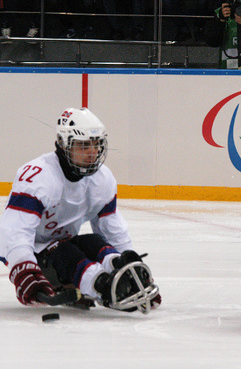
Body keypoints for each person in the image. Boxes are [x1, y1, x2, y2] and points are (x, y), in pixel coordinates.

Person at [0, 108, 161, 312]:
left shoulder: (102, 179)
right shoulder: (39, 176)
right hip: (34, 254)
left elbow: (113, 231)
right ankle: (101, 286)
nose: (92, 152)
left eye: (96, 144)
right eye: (84, 145)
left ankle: (118, 278)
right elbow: (14, 231)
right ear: (63, 143)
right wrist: (23, 270)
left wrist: (133, 272)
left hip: (64, 248)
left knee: (94, 242)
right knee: (66, 252)